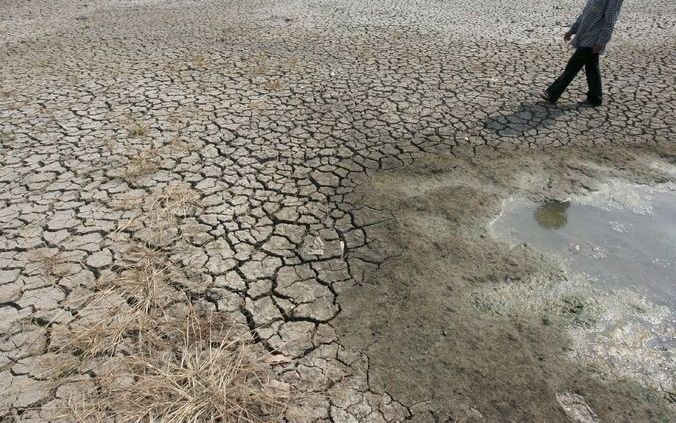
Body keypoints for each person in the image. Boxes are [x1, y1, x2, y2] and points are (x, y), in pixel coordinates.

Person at [541, 0, 625, 107]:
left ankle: (552, 93)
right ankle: (595, 98)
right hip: (585, 35)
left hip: (594, 39)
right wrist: (572, 30)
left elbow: (610, 20)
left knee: (573, 65)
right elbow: (585, 13)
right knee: (591, 67)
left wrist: (601, 41)